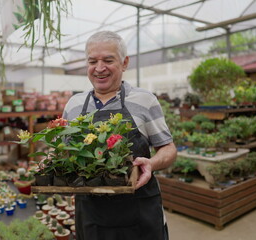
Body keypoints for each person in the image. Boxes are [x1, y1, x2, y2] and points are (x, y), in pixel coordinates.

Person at [62, 31, 177, 240]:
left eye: (108, 60)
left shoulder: (144, 100)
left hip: (140, 212)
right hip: (91, 214)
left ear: (124, 63)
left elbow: (168, 148)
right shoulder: (74, 105)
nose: (99, 68)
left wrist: (151, 163)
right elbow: (65, 154)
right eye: (92, 61)